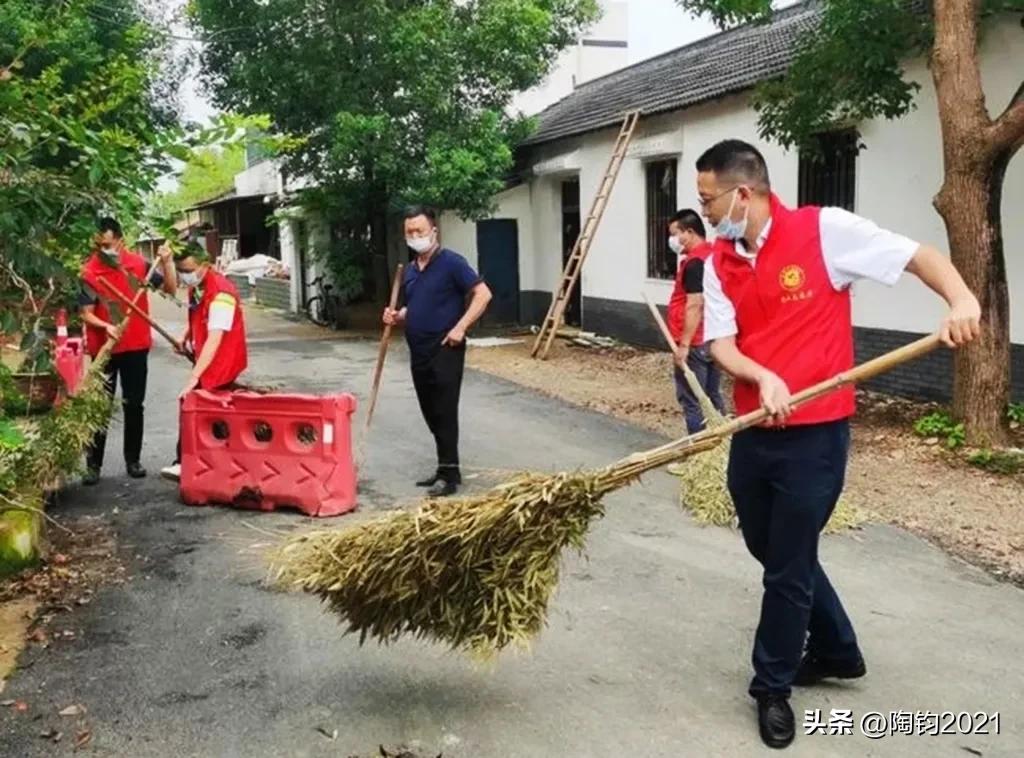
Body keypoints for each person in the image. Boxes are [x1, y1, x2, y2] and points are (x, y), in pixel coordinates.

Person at [695, 139, 980, 749]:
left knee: (788, 565)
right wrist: (762, 375)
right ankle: (839, 649)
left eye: (708, 199)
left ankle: (771, 686)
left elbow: (918, 254)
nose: (705, 213)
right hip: (753, 432)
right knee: (767, 546)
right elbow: (721, 343)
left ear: (742, 193)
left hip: (815, 438)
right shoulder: (718, 260)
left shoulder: (825, 231)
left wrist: (960, 298)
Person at [383, 206, 492, 498]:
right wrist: (398, 316)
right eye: (410, 232)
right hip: (417, 350)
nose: (415, 236)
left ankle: (450, 474)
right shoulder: (409, 271)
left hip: (445, 348)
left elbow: (483, 294)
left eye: (420, 231)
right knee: (429, 410)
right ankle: (444, 466)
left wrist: (461, 327)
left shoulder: (452, 263)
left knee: (444, 410)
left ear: (434, 231)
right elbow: (415, 306)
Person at [79, 217, 177, 485]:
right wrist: (106, 326)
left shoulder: (139, 266)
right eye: (99, 245)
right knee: (100, 408)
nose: (103, 250)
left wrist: (167, 263)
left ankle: (132, 460)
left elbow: (170, 289)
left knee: (134, 404)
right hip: (104, 349)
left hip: (135, 346)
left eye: (108, 244)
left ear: (120, 241)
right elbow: (85, 314)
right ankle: (93, 465)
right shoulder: (90, 272)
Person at [160, 243, 248, 482]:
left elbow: (215, 337)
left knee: (192, 403)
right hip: (207, 358)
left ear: (205, 265)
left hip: (222, 360)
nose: (185, 276)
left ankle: (186, 462)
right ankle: (209, 462)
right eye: (181, 270)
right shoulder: (197, 287)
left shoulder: (222, 294)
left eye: (188, 269)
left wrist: (193, 378)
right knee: (212, 411)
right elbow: (197, 315)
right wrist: (185, 336)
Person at [665, 208, 725, 447]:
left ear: (689, 232)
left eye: (674, 233)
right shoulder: (713, 255)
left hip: (696, 342)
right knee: (711, 396)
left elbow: (695, 304)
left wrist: (684, 345)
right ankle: (722, 448)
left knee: (693, 400)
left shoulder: (694, 264)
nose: (672, 240)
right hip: (713, 339)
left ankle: (699, 457)